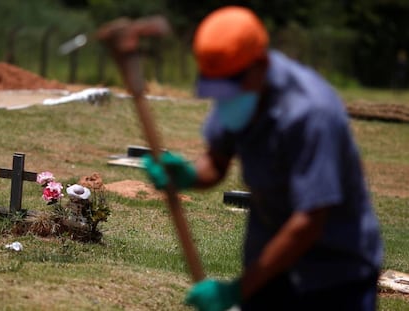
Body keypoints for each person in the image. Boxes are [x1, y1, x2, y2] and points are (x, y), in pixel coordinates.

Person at [142, 6, 383, 311]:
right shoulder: (235, 90)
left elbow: (308, 221)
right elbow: (216, 162)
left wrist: (236, 291)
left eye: (229, 86)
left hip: (334, 276)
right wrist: (187, 175)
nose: (223, 97)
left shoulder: (310, 113)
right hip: (270, 266)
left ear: (261, 64)